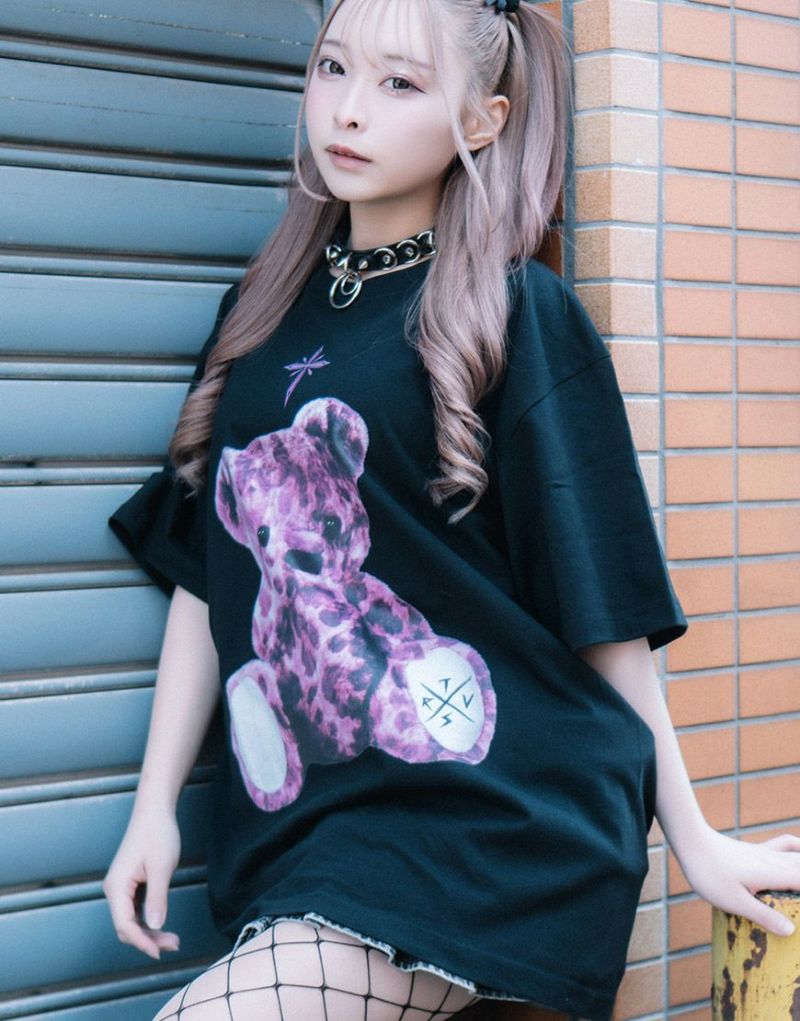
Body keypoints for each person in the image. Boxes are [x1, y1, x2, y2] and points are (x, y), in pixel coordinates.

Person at [102, 0, 800, 1018]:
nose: (348, 110)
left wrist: (691, 835)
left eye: (400, 83)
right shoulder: (259, 309)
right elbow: (208, 572)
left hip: (493, 824)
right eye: (333, 68)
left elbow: (602, 601)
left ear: (482, 120)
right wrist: (153, 807)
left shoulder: (517, 312)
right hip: (309, 826)